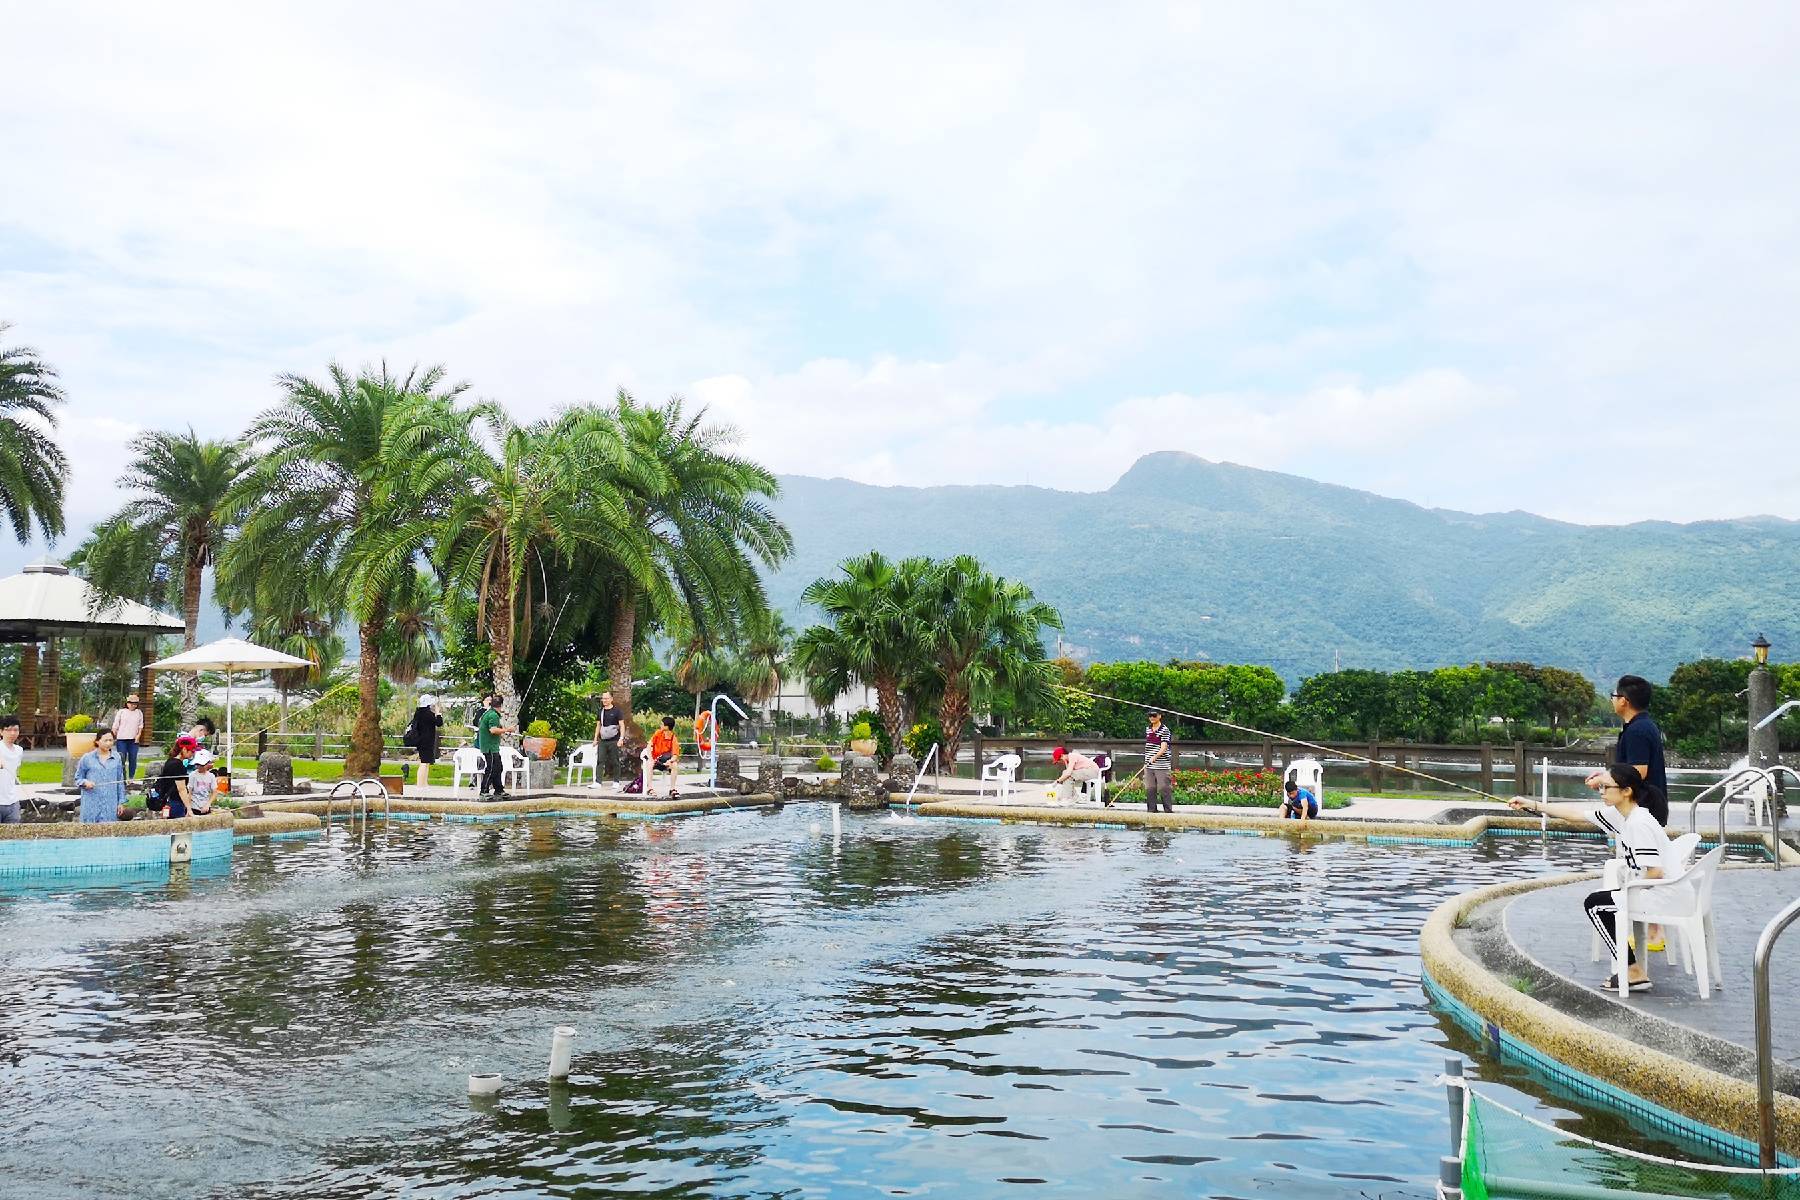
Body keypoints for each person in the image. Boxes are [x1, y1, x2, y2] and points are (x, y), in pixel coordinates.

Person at [1510, 764, 1671, 993]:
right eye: (1600, 787)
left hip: (1663, 895)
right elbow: (1576, 816)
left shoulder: (1638, 823)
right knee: (1599, 901)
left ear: (1626, 791)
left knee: (1595, 904)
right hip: (1659, 891)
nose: (1601, 792)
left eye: (1606, 787)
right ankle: (1632, 969)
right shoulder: (1622, 815)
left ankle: (1633, 971)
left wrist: (1627, 893)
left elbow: (1655, 872)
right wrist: (1532, 804)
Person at [1586, 676, 1669, 827]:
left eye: (1614, 696)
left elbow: (1638, 772)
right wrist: (1606, 775)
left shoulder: (1637, 730)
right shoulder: (1642, 726)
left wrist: (1602, 780)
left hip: (1643, 811)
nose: (1612, 700)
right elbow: (1629, 768)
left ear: (1623, 700)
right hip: (1646, 810)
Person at [76, 728, 129, 822]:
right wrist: (85, 782)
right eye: (105, 740)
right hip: (91, 804)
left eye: (111, 740)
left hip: (110, 805)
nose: (108, 743)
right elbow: (78, 778)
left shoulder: (117, 757)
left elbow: (120, 781)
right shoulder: (87, 758)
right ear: (97, 741)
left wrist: (121, 802)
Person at [475, 694, 514, 800]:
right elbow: (493, 730)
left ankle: (499, 790)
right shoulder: (493, 715)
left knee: (498, 767)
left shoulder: (489, 713)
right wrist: (507, 730)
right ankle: (484, 791)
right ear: (501, 705)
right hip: (490, 747)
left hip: (491, 747)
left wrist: (503, 729)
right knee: (491, 768)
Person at [150, 737, 198, 820]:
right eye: (192, 751)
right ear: (184, 749)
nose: (192, 754)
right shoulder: (178, 765)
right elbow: (181, 789)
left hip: (168, 802)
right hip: (175, 803)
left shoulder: (170, 761)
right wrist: (189, 809)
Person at [406, 694, 445, 788]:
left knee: (426, 762)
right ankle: (420, 784)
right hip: (426, 741)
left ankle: (424, 783)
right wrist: (438, 713)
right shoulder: (427, 714)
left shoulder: (419, 713)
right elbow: (439, 723)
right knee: (424, 763)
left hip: (422, 741)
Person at [1143, 711, 1173, 813]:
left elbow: (1164, 747)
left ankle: (1168, 811)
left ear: (1159, 716)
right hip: (1149, 764)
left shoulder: (1165, 730)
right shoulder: (1148, 729)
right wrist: (1148, 759)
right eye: (1150, 715)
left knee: (1164, 788)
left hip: (1162, 765)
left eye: (1154, 715)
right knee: (1150, 788)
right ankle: (1151, 810)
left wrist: (1155, 757)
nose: (1152, 717)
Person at [110, 692, 145, 779]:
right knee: (121, 759)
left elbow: (141, 725)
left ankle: (131, 777)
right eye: (131, 703)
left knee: (133, 758)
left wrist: (138, 735)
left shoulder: (139, 712)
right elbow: (115, 724)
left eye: (135, 704)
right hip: (122, 739)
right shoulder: (121, 712)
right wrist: (113, 734)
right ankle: (122, 777)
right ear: (127, 703)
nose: (133, 705)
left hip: (133, 740)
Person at [593, 690, 624, 782]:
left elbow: (622, 725)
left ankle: (616, 781)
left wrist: (621, 738)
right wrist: (595, 739)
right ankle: (598, 782)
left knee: (615, 761)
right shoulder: (600, 712)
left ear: (611, 699)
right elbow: (598, 725)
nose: (604, 700)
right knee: (600, 760)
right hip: (603, 740)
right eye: (603, 698)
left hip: (614, 739)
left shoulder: (617, 711)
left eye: (606, 698)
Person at [649, 715, 680, 798]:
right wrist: (651, 758)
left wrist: (670, 761)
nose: (660, 725)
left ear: (667, 727)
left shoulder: (673, 738)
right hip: (655, 759)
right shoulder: (658, 733)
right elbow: (650, 744)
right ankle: (650, 788)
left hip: (665, 761)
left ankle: (672, 789)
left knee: (674, 765)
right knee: (650, 764)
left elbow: (675, 755)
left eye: (662, 724)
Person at [0, 714, 23, 825]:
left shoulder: (19, 750)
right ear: (1, 732)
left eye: (15, 730)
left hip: (12, 802)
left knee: (12, 839)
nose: (12, 733)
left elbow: (15, 772)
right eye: (8, 730)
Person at [187, 749, 218, 815]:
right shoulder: (193, 775)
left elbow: (214, 792)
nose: (200, 767)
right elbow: (189, 792)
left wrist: (208, 804)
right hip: (194, 807)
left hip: (206, 806)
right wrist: (188, 809)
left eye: (202, 765)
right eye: (198, 764)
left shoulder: (211, 776)